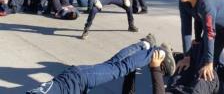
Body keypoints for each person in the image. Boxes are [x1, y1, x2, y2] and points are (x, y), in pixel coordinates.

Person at [27, 34, 176, 94]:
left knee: (119, 68)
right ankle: (144, 45)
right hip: (74, 79)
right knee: (114, 65)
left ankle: (158, 52)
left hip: (78, 80)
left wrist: (155, 67)